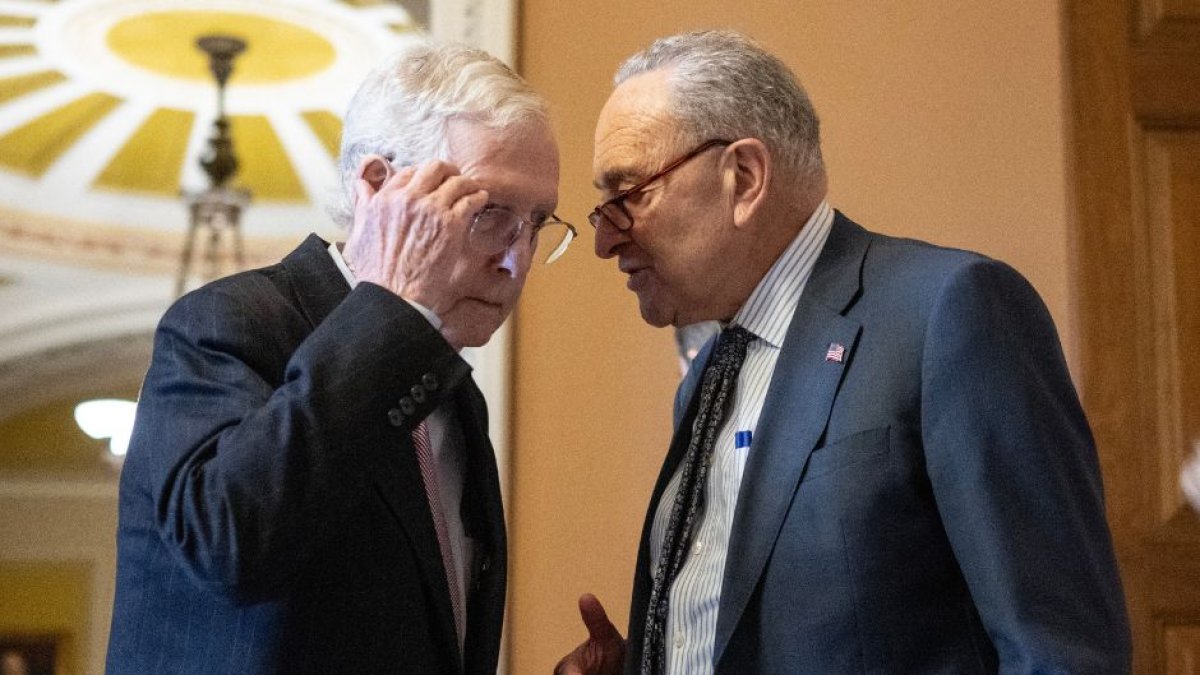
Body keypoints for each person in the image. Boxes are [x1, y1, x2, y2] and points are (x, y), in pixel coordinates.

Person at [558, 30, 1130, 674]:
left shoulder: (949, 312)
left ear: (744, 178)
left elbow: (1059, 652)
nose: (606, 240)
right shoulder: (707, 379)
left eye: (630, 196)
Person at [105, 40, 574, 675]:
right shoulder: (226, 323)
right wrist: (394, 305)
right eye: (488, 212)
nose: (516, 260)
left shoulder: (457, 395)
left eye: (537, 222)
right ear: (377, 187)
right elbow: (230, 545)